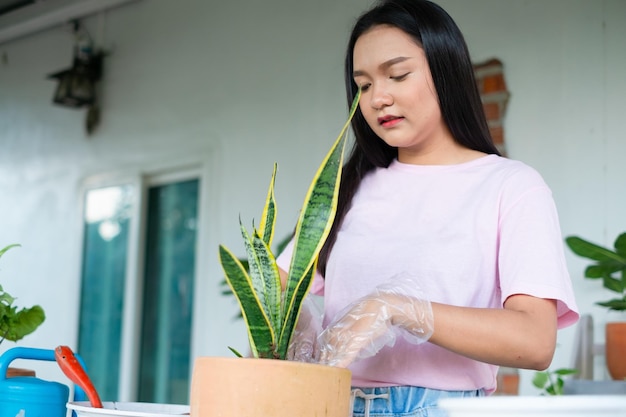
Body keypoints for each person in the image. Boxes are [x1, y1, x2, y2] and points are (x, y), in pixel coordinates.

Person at [277, 0, 579, 415]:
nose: (378, 98)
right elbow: (276, 287)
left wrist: (400, 308)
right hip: (329, 404)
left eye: (397, 75)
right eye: (363, 85)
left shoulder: (511, 187)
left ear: (445, 70)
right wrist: (302, 333)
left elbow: (535, 341)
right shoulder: (346, 189)